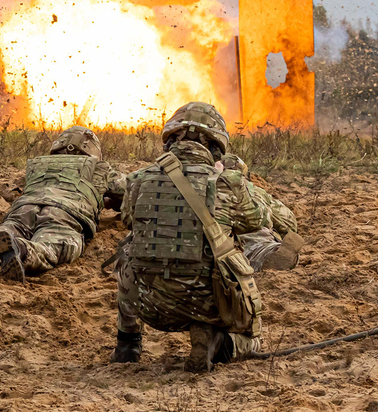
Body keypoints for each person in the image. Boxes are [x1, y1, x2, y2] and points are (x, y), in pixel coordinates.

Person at [112, 102, 265, 372]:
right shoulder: (228, 183)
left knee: (127, 251)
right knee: (252, 339)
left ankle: (128, 343)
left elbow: (128, 219)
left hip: (151, 306)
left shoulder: (138, 179)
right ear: (216, 146)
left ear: (170, 141)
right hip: (210, 304)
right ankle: (220, 343)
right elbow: (256, 220)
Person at [0, 126, 126, 280]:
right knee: (51, 249)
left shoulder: (38, 164)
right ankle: (20, 249)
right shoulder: (100, 168)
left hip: (24, 207)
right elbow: (132, 192)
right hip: (65, 214)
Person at [220, 154, 303, 271]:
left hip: (221, 243)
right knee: (258, 245)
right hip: (256, 239)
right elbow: (288, 223)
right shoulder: (256, 191)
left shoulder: (207, 189)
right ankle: (269, 252)